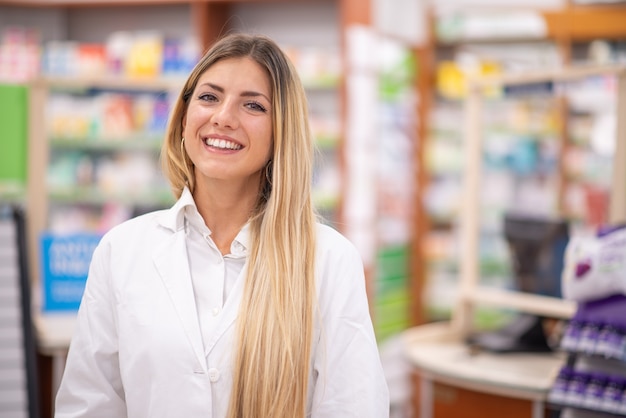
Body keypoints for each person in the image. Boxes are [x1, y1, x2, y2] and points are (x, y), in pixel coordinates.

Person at [55, 33, 389, 418]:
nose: (223, 117)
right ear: (182, 119)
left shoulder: (329, 260)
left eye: (253, 105)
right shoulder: (121, 250)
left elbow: (354, 406)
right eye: (209, 97)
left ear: (281, 133)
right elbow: (89, 403)